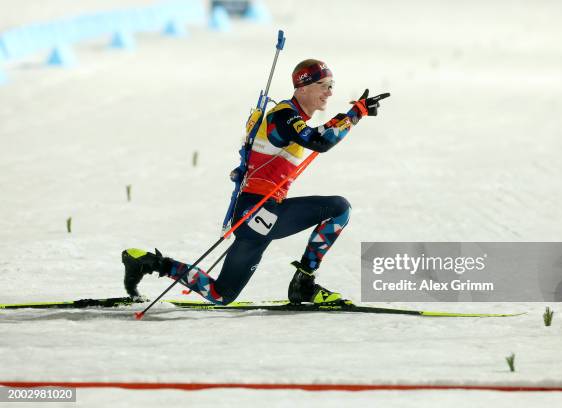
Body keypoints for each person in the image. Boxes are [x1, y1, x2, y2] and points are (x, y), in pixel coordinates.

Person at [122, 59, 390, 305]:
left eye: (332, 86)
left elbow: (315, 133)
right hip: (261, 210)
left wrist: (352, 114)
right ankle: (304, 284)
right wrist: (354, 115)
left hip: (254, 213)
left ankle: (149, 263)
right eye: (324, 85)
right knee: (339, 209)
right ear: (303, 87)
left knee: (221, 294)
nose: (330, 92)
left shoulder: (292, 117)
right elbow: (318, 141)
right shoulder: (284, 115)